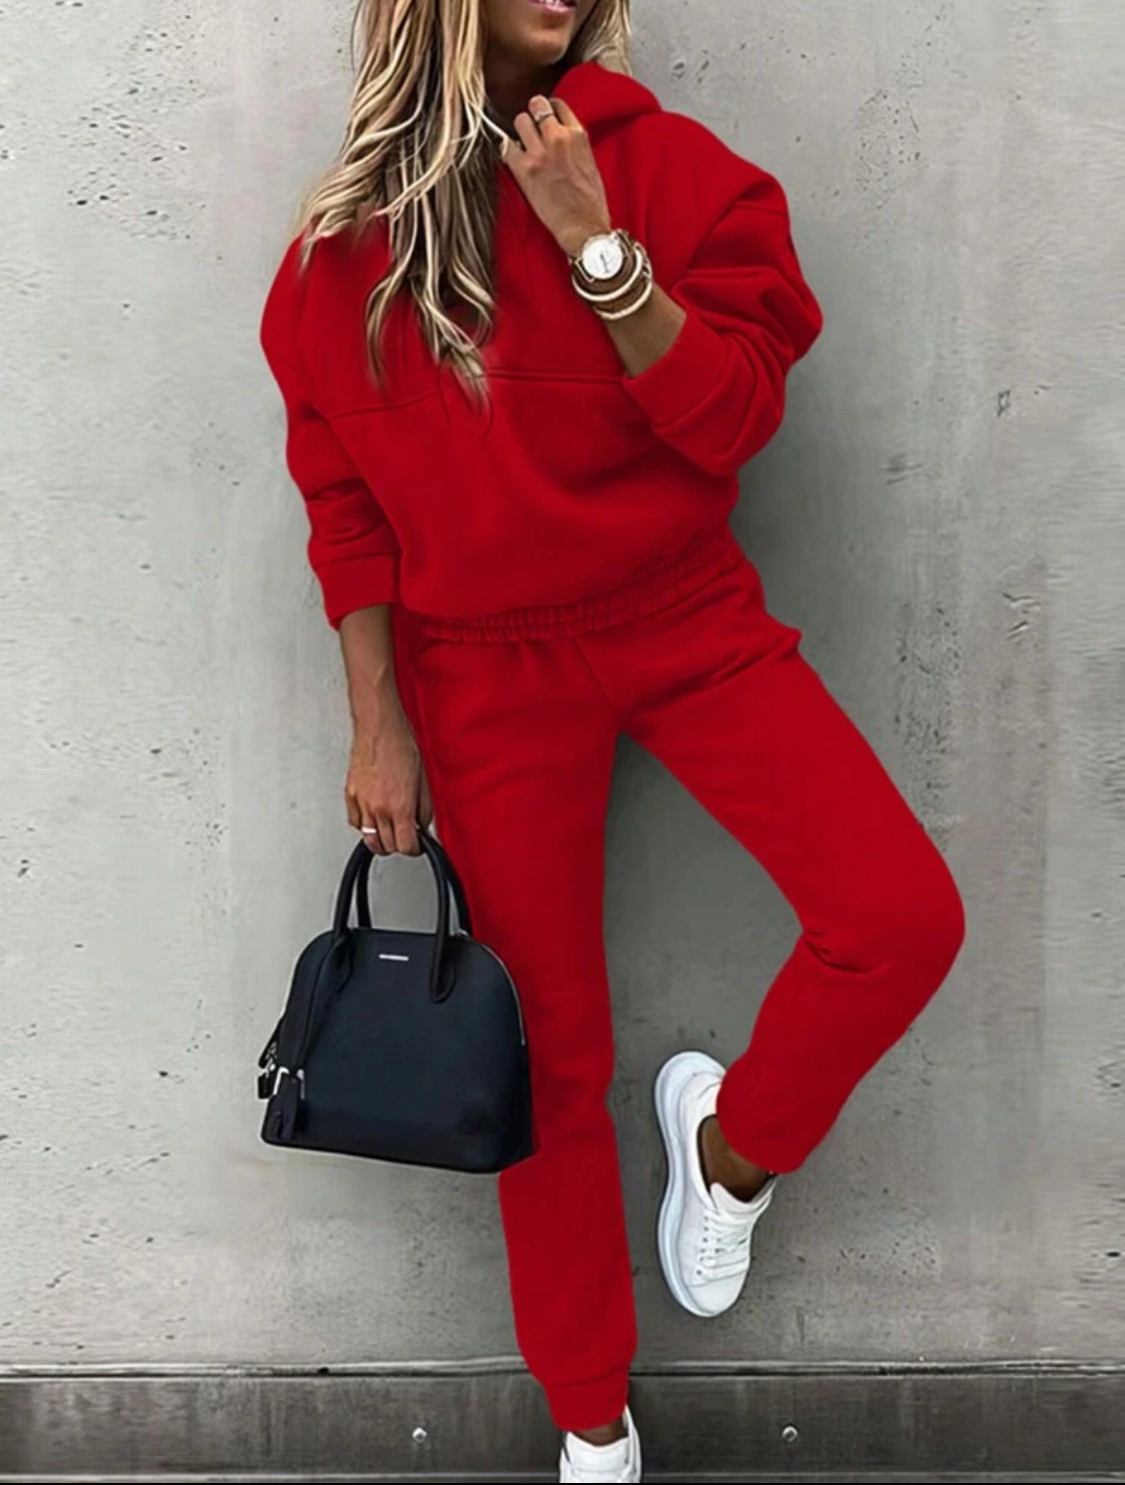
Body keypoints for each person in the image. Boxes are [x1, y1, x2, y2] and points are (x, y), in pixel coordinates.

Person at [259, 1, 966, 1478]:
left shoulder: (675, 174)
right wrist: (377, 720)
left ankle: (726, 1148)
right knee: (547, 1061)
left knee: (898, 916)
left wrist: (597, 246)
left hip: (681, 613)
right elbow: (346, 508)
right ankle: (591, 1418)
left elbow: (731, 421)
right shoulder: (338, 253)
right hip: (480, 671)